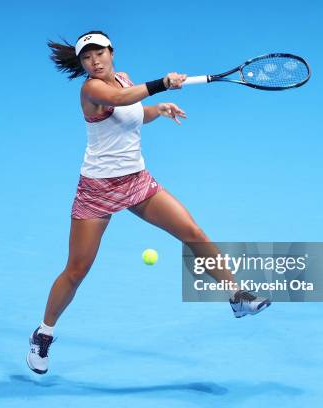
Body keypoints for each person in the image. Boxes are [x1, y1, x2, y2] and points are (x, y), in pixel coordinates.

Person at [27, 31, 270, 375]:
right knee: (77, 270)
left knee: (192, 232)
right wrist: (163, 83)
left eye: (99, 54)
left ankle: (238, 297)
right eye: (87, 57)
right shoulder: (91, 89)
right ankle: (44, 333)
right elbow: (123, 97)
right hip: (98, 189)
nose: (94, 61)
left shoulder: (122, 79)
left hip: (137, 181)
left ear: (112, 53)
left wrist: (160, 108)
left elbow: (134, 110)